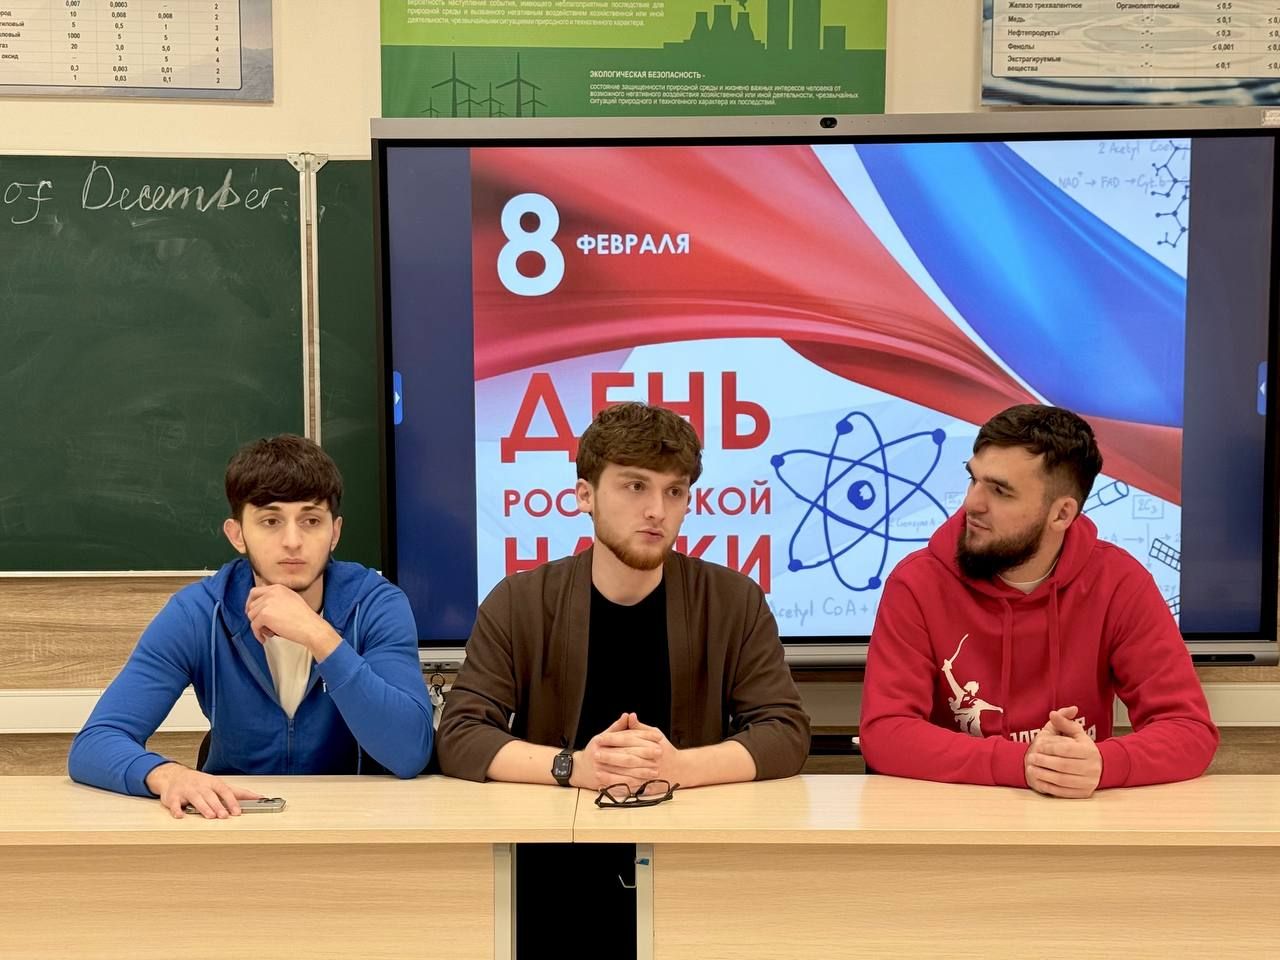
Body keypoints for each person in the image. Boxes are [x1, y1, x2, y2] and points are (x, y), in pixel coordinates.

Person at [437, 401, 809, 958]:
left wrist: (678, 768)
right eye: (635, 487)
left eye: (675, 491)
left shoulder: (733, 600)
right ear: (584, 495)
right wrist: (574, 768)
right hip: (553, 869)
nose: (657, 510)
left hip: (696, 871)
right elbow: (460, 735)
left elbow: (786, 732)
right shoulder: (520, 601)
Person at [860, 404, 1217, 798]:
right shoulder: (916, 583)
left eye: (1000, 491)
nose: (972, 504)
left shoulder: (1119, 583)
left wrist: (1102, 764)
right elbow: (886, 733)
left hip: (1073, 819)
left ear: (1061, 514)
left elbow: (1189, 731)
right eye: (973, 479)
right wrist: (1023, 763)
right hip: (954, 816)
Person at [69, 435, 433, 817]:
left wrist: (319, 635)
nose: (292, 541)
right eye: (271, 521)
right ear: (237, 534)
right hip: (234, 820)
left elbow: (410, 751)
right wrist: (167, 774)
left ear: (335, 533)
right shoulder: (198, 612)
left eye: (311, 520)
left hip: (354, 821)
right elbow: (95, 743)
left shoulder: (376, 605)